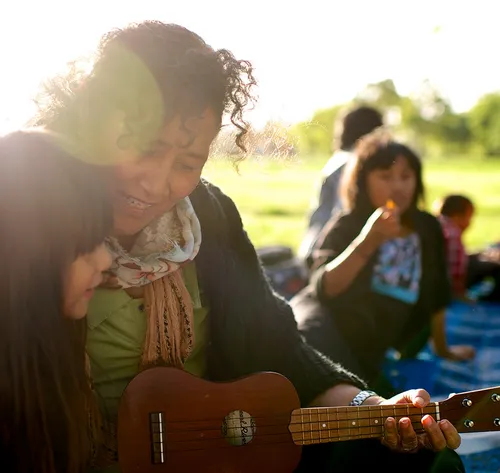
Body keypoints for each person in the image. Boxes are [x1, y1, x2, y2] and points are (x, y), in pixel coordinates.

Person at [31, 21, 464, 473]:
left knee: (429, 464)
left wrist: (375, 406)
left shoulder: (208, 217)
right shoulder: (29, 217)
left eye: (186, 162)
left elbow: (278, 349)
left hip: (217, 458)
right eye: (142, 146)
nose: (157, 181)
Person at [292, 131, 475, 392]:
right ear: (362, 181)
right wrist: (367, 242)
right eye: (385, 177)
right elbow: (324, 288)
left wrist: (443, 349)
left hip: (388, 334)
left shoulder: (426, 226)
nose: (398, 186)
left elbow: (437, 289)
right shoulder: (349, 224)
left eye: (405, 176)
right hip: (334, 329)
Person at [0, 129, 112, 473]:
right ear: (25, 260)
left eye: (103, 239)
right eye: (84, 247)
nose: (106, 260)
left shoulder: (47, 351)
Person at [298, 105, 383, 265]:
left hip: (313, 244)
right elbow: (343, 210)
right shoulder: (355, 163)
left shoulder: (338, 159)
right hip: (331, 251)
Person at [435, 194, 500, 302]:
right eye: (469, 217)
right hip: (447, 286)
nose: (470, 223)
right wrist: (461, 295)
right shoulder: (453, 233)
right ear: (457, 216)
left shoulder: (438, 224)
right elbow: (456, 271)